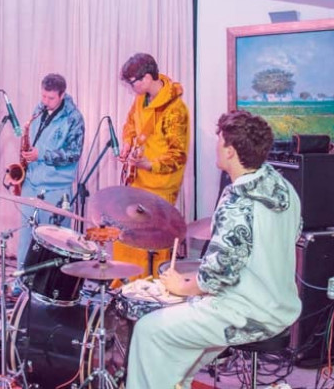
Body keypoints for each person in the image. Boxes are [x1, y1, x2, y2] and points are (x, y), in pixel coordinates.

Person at [125, 110, 302, 388]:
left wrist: (182, 286)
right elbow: (292, 234)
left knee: (149, 329)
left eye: (219, 142)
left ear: (230, 151)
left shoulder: (237, 203)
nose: (216, 148)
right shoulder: (283, 186)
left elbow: (217, 276)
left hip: (247, 313)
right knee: (183, 341)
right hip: (281, 304)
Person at [114, 53, 190, 278]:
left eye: (133, 83)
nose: (132, 87)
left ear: (146, 78)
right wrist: (127, 143)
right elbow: (130, 124)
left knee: (151, 246)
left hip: (160, 187)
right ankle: (126, 285)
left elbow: (178, 156)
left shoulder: (176, 110)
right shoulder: (141, 99)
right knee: (127, 238)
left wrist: (150, 164)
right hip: (137, 181)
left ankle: (149, 287)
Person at [15, 73, 85, 278]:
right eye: (43, 96)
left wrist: (42, 155)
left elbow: (74, 154)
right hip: (31, 184)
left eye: (51, 98)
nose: (45, 102)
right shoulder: (39, 109)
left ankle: (48, 286)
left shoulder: (74, 118)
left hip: (56, 189)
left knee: (53, 244)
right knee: (26, 238)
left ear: (62, 95)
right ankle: (21, 280)